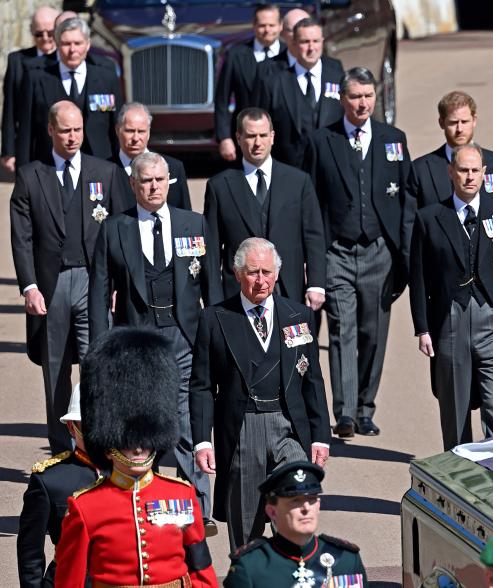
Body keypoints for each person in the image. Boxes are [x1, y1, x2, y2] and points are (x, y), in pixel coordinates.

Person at [88, 151, 220, 533]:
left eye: (160, 180)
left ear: (169, 182)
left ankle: (199, 509)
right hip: (137, 342)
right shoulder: (115, 228)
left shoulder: (193, 224)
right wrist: (100, 350)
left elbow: (212, 288)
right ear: (133, 185)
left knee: (185, 420)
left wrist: (215, 339)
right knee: (143, 423)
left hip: (183, 337)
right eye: (145, 180)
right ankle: (145, 503)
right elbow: (100, 291)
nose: (154, 187)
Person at [189, 237, 331, 551]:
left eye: (267, 272)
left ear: (277, 274)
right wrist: (202, 440)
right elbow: (200, 386)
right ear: (238, 274)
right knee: (246, 530)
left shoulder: (298, 317)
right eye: (253, 272)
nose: (261, 280)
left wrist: (321, 434)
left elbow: (313, 381)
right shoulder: (214, 320)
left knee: (298, 504)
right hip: (243, 429)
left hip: (288, 426)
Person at [55, 327, 219, 587]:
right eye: (129, 441)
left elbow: (200, 570)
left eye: (145, 438)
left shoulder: (182, 496)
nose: (140, 448)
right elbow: (69, 581)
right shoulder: (85, 507)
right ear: (109, 443)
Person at [304, 67, 416, 438]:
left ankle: (366, 407)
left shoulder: (393, 139)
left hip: (379, 253)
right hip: (337, 251)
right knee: (341, 331)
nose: (363, 103)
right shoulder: (322, 141)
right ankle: (346, 413)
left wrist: (403, 256)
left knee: (373, 332)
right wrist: (314, 258)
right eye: (355, 96)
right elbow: (312, 203)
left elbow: (406, 201)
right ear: (343, 99)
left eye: (368, 95)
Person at [10, 100, 127, 453]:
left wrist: (119, 283)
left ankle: (97, 444)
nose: (72, 136)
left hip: (95, 282)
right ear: (51, 130)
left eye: (77, 129)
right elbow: (22, 236)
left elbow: (122, 229)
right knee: (56, 369)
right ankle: (61, 450)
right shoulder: (31, 175)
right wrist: (29, 286)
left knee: (96, 364)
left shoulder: (104, 173)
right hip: (52, 284)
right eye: (65, 130)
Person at [410, 144, 493, 450]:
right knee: (455, 411)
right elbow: (419, 278)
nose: (470, 177)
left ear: (485, 174)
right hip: (451, 320)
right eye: (463, 170)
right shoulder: (430, 218)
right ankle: (459, 474)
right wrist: (422, 328)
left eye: (475, 170)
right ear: (451, 172)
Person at [204, 107, 325, 305]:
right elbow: (212, 249)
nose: (257, 143)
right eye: (251, 136)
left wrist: (316, 285)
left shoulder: (299, 182)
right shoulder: (219, 186)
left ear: (272, 137)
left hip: (289, 289)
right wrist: (214, 298)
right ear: (238, 137)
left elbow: (314, 237)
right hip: (238, 292)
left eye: (262, 135)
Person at [224, 461, 367, 587]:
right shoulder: (250, 566)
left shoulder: (346, 560)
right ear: (272, 512)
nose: (306, 508)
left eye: (311, 499)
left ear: (318, 506)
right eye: (295, 501)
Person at [17, 384, 101, 587]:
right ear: (72, 427)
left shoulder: (135, 476)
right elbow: (30, 553)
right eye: (88, 425)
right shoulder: (50, 480)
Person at [17, 17, 123, 165]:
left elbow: (116, 128)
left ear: (87, 45)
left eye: (78, 43)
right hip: (50, 166)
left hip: (99, 164)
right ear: (57, 45)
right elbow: (26, 132)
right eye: (66, 44)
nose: (72, 50)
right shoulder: (36, 79)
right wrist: (23, 174)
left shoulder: (107, 79)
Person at [256, 17, 344, 168]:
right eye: (305, 42)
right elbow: (262, 127)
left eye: (316, 41)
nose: (311, 48)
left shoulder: (338, 78)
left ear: (322, 41)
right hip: (289, 170)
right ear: (294, 44)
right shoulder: (274, 83)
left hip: (332, 168)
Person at [411, 91, 493, 210]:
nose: (459, 129)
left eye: (465, 121)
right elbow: (410, 222)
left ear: (474, 120)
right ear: (441, 123)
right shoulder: (422, 170)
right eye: (453, 123)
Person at [214, 4, 284, 162]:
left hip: (283, 142)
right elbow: (222, 99)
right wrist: (224, 137)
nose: (267, 30)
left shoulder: (290, 56)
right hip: (245, 140)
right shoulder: (235, 54)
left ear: (280, 26)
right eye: (262, 25)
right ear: (254, 26)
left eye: (272, 25)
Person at [1, 6, 59, 173]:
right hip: (29, 145)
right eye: (39, 33)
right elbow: (10, 110)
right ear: (31, 32)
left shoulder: (68, 61)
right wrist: (8, 151)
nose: (45, 38)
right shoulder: (17, 61)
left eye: (50, 32)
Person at [110, 102, 192, 210]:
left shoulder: (173, 167)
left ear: (148, 132)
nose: (135, 138)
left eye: (141, 131)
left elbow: (186, 217)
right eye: (130, 131)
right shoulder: (106, 171)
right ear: (117, 130)